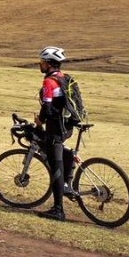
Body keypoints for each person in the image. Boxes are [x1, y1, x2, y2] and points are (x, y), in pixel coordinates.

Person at [33, 46, 76, 221]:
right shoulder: (64, 78)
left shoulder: (49, 82)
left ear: (49, 64)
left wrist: (40, 122)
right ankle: (67, 180)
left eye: (42, 62)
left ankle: (58, 210)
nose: (40, 64)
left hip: (55, 128)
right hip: (67, 126)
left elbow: (48, 108)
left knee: (55, 167)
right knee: (62, 155)